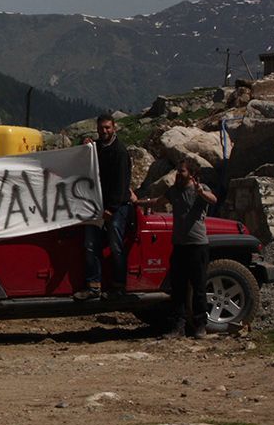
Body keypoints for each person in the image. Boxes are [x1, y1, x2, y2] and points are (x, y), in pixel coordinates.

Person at [134, 159, 217, 338]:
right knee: (178, 289)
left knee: (198, 288)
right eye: (178, 171)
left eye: (182, 171)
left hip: (197, 245)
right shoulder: (174, 190)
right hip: (179, 246)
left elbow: (213, 200)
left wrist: (201, 192)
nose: (178, 174)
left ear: (192, 174)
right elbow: (158, 201)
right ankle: (178, 327)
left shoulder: (200, 189)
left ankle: (201, 325)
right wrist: (138, 202)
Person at [74, 114, 132, 301]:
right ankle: (93, 286)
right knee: (90, 245)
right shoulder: (96, 148)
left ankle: (119, 286)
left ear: (114, 128)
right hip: (95, 205)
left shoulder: (120, 152)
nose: (104, 131)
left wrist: (112, 208)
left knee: (116, 245)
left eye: (107, 128)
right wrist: (85, 143)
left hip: (116, 207)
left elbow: (122, 183)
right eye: (101, 128)